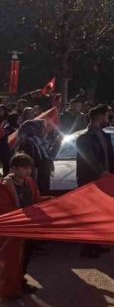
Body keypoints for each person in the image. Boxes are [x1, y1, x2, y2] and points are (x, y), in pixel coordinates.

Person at [76, 104, 114, 258]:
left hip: (106, 181)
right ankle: (87, 248)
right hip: (90, 181)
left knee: (100, 213)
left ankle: (97, 242)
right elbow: (89, 159)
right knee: (89, 215)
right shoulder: (83, 138)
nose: (109, 118)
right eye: (107, 116)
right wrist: (101, 172)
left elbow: (111, 157)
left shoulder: (105, 135)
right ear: (100, 117)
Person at [0, 153, 46, 298]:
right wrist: (25, 213)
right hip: (14, 229)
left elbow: (36, 199)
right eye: (24, 168)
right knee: (11, 260)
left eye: (29, 168)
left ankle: (20, 281)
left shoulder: (30, 182)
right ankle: (9, 288)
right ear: (13, 168)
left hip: (29, 227)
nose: (28, 171)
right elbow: (4, 208)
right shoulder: (4, 186)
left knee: (26, 256)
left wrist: (50, 201)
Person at [15, 120, 53, 195]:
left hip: (44, 175)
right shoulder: (27, 143)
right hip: (36, 178)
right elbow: (29, 163)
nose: (44, 130)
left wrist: (58, 143)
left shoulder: (40, 142)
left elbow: (48, 157)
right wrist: (32, 181)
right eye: (42, 128)